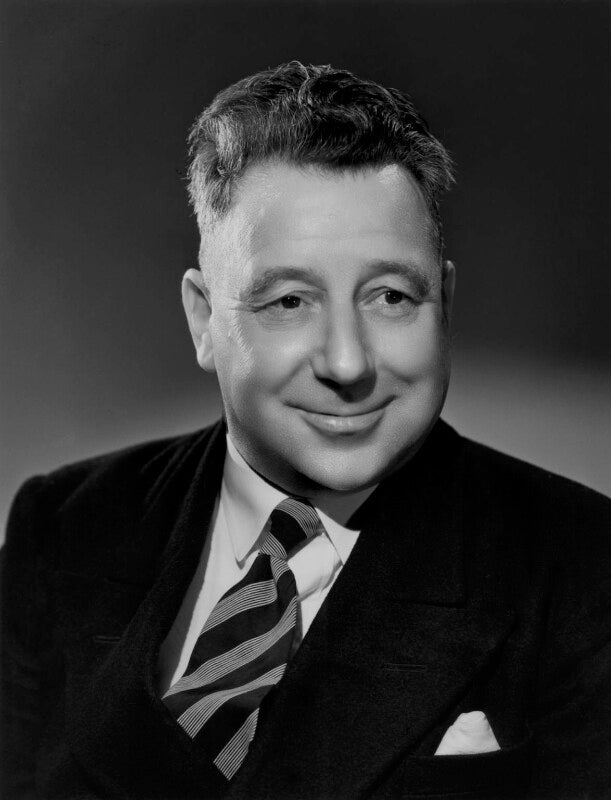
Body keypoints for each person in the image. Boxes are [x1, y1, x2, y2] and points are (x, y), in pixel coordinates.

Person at [1, 61, 610, 800]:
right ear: (203, 321)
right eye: (289, 302)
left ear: (444, 304)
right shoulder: (62, 527)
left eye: (391, 297)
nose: (347, 363)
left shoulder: (583, 569)